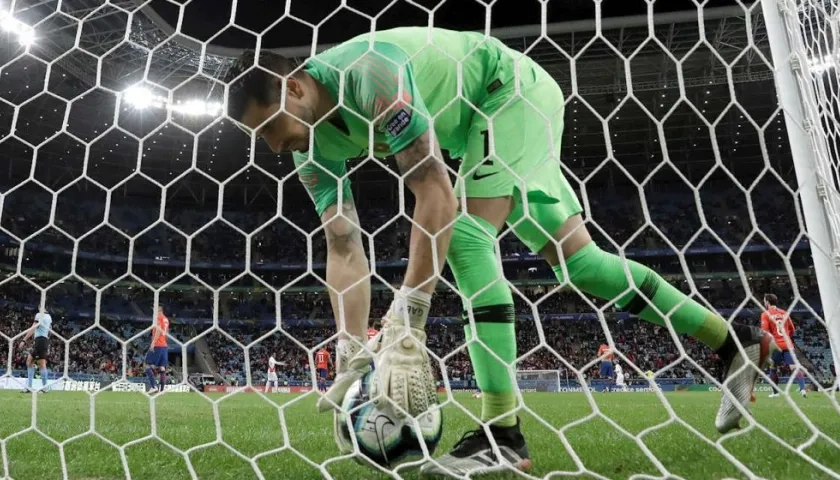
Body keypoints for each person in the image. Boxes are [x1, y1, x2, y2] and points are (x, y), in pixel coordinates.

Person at [225, 26, 774, 476]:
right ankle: (733, 343)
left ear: (295, 87)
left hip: (506, 92)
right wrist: (351, 344)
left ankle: (502, 434)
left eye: (271, 126)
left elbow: (433, 190)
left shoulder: (370, 72)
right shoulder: (310, 148)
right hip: (479, 129)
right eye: (261, 137)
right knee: (579, 262)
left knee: (464, 234)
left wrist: (409, 317)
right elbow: (342, 242)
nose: (273, 146)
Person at [761, 294, 807, 398]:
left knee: (773, 367)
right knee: (794, 367)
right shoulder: (784, 313)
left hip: (775, 345)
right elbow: (792, 330)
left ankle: (775, 393)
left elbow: (765, 332)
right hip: (788, 344)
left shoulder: (765, 314)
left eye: (764, 301)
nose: (764, 303)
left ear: (767, 302)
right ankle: (803, 389)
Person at [18, 307, 52, 393]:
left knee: (42, 364)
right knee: (29, 361)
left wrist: (24, 340)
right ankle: (29, 387)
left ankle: (45, 388)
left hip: (40, 340)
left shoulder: (39, 315)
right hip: (43, 340)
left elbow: (33, 328)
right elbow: (50, 330)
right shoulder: (49, 317)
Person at [144, 306, 170, 394]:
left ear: (159, 311)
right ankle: (162, 390)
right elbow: (166, 332)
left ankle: (153, 386)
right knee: (162, 367)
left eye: (154, 310)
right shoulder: (166, 319)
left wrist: (153, 342)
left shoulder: (158, 318)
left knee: (147, 365)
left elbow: (158, 330)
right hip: (164, 345)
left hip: (158, 345)